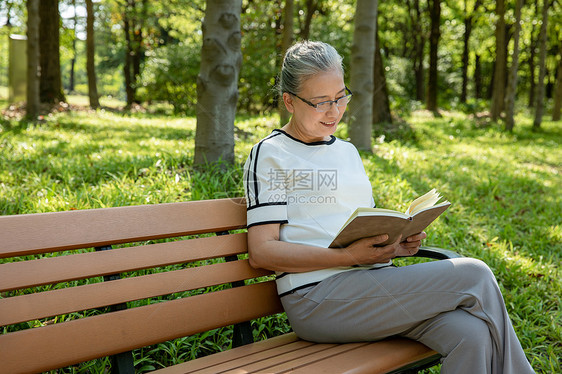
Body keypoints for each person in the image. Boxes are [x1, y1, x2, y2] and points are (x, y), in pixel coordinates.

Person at [243, 40, 535, 374]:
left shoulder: (348, 152)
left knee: (471, 334)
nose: (334, 111)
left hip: (373, 286)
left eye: (340, 97)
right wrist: (348, 258)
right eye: (321, 102)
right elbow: (262, 252)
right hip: (316, 299)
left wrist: (395, 245)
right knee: (475, 273)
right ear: (289, 101)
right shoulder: (270, 154)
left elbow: (359, 230)